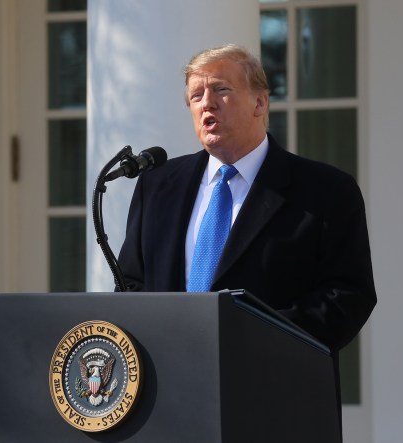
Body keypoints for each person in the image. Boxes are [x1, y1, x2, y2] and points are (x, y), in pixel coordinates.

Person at [117, 44, 376, 351]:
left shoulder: (326, 190)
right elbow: (130, 285)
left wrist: (251, 338)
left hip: (270, 382)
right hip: (171, 380)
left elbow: (346, 296)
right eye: (196, 96)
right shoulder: (157, 185)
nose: (207, 104)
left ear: (260, 102)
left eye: (220, 89)